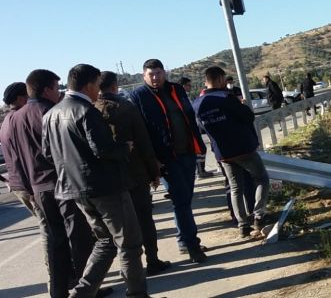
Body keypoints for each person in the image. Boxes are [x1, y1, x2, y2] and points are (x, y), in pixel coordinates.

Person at [42, 64, 148, 297]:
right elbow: (103, 150)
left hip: (74, 189)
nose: (99, 91)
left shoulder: (50, 114)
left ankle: (80, 294)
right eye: (98, 85)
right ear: (90, 84)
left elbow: (48, 154)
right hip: (105, 187)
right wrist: (125, 148)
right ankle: (137, 294)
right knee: (129, 244)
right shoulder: (86, 111)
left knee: (105, 242)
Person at [8, 70, 99, 298]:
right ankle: (86, 289)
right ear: (47, 89)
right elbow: (62, 151)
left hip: (38, 189)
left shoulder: (15, 118)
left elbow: (17, 158)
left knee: (56, 242)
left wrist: (29, 188)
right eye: (56, 87)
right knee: (79, 238)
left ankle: (58, 292)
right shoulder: (50, 112)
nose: (58, 92)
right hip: (62, 185)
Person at [129, 59, 207, 262]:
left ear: (164, 73)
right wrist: (152, 160)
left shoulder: (176, 89)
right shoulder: (138, 96)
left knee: (185, 199)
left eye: (158, 73)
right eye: (150, 74)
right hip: (165, 159)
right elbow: (140, 132)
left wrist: (199, 146)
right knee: (180, 200)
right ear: (143, 76)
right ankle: (192, 245)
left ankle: (183, 239)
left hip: (188, 153)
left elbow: (189, 117)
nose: (155, 78)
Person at [94, 71, 172, 276]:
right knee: (144, 219)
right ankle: (152, 261)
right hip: (135, 174)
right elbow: (144, 143)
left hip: (108, 179)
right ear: (114, 86)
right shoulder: (126, 108)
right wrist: (155, 172)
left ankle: (127, 267)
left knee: (118, 227)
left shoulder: (90, 110)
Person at [193, 66, 270, 238]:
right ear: (220, 79)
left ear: (206, 81)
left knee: (235, 188)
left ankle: (242, 225)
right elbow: (248, 116)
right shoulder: (225, 97)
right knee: (262, 178)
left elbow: (201, 128)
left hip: (222, 153)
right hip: (243, 148)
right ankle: (259, 216)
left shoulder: (196, 104)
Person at [0, 82, 34, 214]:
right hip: (29, 185)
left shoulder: (6, 122)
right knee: (51, 228)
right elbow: (22, 157)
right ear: (21, 99)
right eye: (29, 97)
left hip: (18, 185)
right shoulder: (21, 120)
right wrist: (31, 190)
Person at [179, 77, 212, 179]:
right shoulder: (180, 97)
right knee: (200, 149)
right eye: (188, 85)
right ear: (183, 86)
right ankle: (200, 172)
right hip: (188, 129)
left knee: (200, 149)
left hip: (192, 127)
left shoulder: (185, 96)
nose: (190, 87)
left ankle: (200, 171)